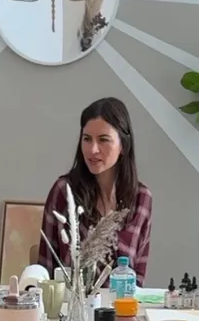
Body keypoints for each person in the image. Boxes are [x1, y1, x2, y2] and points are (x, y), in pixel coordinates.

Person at [37, 97, 153, 284]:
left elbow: (137, 278)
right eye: (87, 139)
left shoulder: (141, 199)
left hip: (120, 308)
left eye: (103, 140)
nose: (93, 149)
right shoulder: (64, 192)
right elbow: (45, 267)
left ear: (123, 145)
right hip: (71, 308)